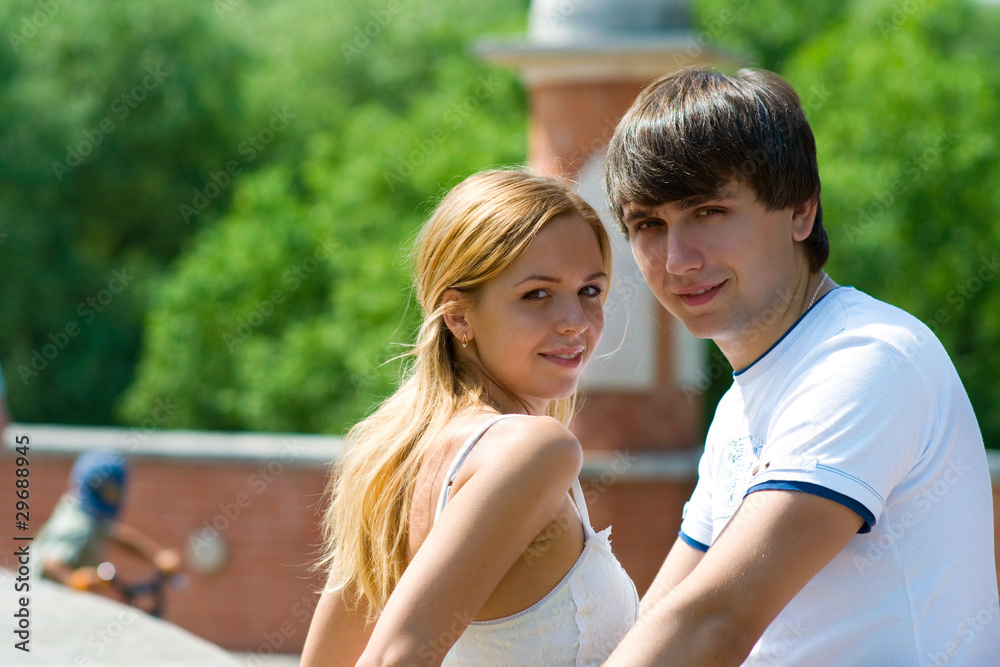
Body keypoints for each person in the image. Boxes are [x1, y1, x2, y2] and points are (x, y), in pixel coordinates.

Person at [601, 68, 999, 665]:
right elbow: (661, 619)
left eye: (708, 212)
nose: (678, 260)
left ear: (800, 211)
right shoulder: (739, 407)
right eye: (648, 225)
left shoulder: (867, 359)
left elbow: (717, 622)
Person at [300, 169, 638, 666]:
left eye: (590, 290)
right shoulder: (535, 449)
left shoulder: (394, 456)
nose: (575, 322)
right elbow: (395, 656)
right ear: (458, 316)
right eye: (537, 294)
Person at [36, 450, 181, 593]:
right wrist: (75, 580)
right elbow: (50, 564)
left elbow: (117, 534)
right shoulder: (76, 525)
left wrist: (156, 556)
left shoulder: (89, 514)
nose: (113, 496)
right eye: (109, 491)